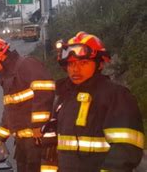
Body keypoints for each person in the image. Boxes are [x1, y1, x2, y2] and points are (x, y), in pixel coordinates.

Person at [54, 31, 144, 171]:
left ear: (100, 64)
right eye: (71, 64)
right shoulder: (64, 96)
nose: (75, 69)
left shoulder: (116, 96)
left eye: (83, 62)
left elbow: (125, 150)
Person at [0, 37, 56, 172]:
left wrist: (38, 125)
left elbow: (45, 90)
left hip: (37, 141)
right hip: (22, 142)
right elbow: (9, 110)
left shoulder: (27, 65)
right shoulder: (6, 76)